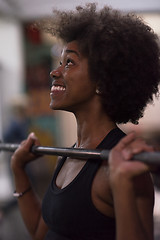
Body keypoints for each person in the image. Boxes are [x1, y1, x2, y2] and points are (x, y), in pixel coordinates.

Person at [10, 3, 160, 240]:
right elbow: (43, 233)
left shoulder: (124, 168)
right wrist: (18, 169)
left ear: (102, 81)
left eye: (69, 62)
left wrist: (121, 184)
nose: (55, 72)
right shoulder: (69, 155)